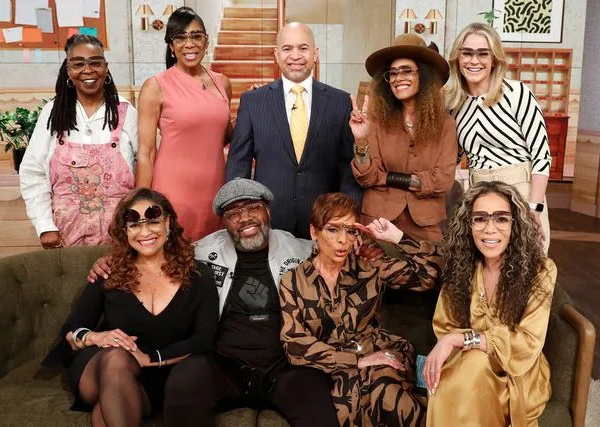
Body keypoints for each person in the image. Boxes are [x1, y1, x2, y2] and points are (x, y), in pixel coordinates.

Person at [87, 179, 372, 426]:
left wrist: (359, 248)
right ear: (223, 222)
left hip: (287, 364)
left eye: (252, 208)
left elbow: (340, 249)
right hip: (224, 364)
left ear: (267, 210)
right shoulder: (201, 251)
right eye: (233, 213)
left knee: (318, 407)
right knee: (184, 383)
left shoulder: (301, 249)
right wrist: (110, 261)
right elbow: (154, 253)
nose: (244, 218)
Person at [42, 188, 219, 425]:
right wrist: (95, 337)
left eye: (153, 221)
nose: (144, 232)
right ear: (125, 232)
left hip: (162, 371)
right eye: (134, 225)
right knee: (116, 359)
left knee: (104, 413)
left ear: (167, 223)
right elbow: (73, 328)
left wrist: (149, 358)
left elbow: (204, 338)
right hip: (102, 366)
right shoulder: (109, 273)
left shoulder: (198, 275)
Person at [279, 192, 442, 426]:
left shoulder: (369, 266)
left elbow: (430, 275)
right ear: (314, 232)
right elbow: (293, 343)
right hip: (335, 365)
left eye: (350, 230)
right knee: (346, 406)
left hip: (380, 350)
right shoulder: (293, 281)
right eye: (333, 229)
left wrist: (397, 237)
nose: (343, 240)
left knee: (385, 390)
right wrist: (355, 361)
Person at [424, 181, 556, 426]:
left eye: (502, 219)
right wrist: (464, 343)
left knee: (471, 367)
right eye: (480, 219)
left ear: (516, 225)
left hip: (517, 371)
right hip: (468, 363)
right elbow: (446, 325)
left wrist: (461, 339)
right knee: (461, 369)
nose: (490, 229)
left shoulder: (541, 270)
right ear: (469, 224)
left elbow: (527, 342)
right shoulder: (461, 266)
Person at [226, 22, 362, 239]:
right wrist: (240, 214)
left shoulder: (340, 101)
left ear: (315, 54)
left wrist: (347, 218)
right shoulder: (253, 101)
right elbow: (238, 164)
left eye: (303, 48)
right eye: (287, 49)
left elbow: (347, 167)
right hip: (268, 221)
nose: (295, 56)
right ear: (276, 55)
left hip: (324, 223)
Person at [20, 34, 138, 249]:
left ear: (105, 67)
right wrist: (45, 225)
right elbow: (32, 171)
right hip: (63, 237)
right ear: (68, 70)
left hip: (120, 236)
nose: (88, 70)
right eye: (78, 64)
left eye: (95, 62)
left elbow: (146, 166)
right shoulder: (53, 112)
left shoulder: (126, 112)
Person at [444, 23, 552, 252]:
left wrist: (534, 207)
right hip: (478, 194)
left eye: (483, 53)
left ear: (494, 59)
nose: (474, 61)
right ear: (457, 58)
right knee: (484, 268)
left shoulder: (517, 94)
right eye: (467, 53)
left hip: (521, 191)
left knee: (525, 267)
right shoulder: (454, 104)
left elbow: (542, 156)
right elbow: (450, 157)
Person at [351, 34, 458, 242]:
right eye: (392, 73)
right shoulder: (374, 120)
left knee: (431, 271)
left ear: (424, 76)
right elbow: (367, 176)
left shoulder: (446, 124)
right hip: (378, 219)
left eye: (407, 71)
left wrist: (387, 177)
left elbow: (443, 180)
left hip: (426, 223)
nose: (398, 78)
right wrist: (361, 141)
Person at [137, 7, 232, 241]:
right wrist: (140, 203)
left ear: (206, 41)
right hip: (173, 191)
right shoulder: (155, 86)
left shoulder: (222, 83)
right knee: (172, 260)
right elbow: (146, 152)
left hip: (214, 191)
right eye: (180, 37)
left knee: (210, 262)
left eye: (196, 36)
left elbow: (224, 136)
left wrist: (255, 107)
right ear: (171, 45)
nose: (189, 44)